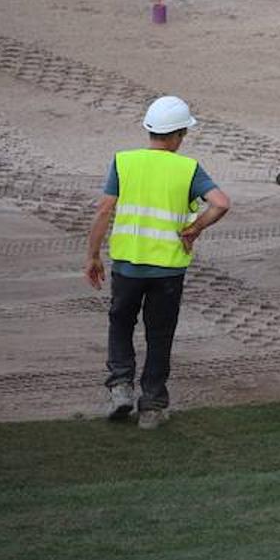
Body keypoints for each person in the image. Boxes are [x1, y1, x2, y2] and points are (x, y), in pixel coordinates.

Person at [84, 96, 231, 428]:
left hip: (127, 266)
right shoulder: (188, 168)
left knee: (121, 323)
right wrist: (194, 229)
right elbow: (221, 203)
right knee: (159, 334)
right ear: (179, 134)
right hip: (168, 269)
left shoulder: (124, 162)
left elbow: (104, 210)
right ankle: (152, 406)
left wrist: (93, 256)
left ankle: (121, 388)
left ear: (150, 130)